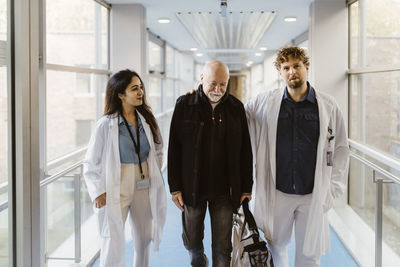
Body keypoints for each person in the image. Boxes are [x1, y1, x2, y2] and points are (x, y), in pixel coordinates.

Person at [246, 47, 350, 267]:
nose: (292, 71)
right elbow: (238, 115)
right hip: (278, 190)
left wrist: (333, 188)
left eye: (296, 66)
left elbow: (341, 147)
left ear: (306, 68)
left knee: (310, 253)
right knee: (275, 246)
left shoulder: (328, 105)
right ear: (280, 73)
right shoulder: (266, 102)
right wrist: (204, 95)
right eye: (286, 68)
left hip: (312, 192)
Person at [168, 60, 253, 267]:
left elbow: (245, 152)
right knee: (193, 243)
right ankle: (198, 259)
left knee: (223, 247)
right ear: (202, 78)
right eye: (213, 83)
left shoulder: (236, 108)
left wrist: (246, 187)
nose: (218, 89)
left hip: (225, 190)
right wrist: (175, 187)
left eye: (223, 84)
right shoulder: (184, 105)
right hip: (192, 187)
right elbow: (174, 149)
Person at [83, 69, 167, 267]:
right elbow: (90, 161)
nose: (140, 92)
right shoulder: (106, 125)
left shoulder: (146, 119)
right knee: (112, 239)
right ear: (121, 94)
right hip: (118, 184)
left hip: (144, 182)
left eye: (141, 88)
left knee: (144, 237)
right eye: (134, 89)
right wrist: (97, 192)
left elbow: (158, 148)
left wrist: (154, 171)